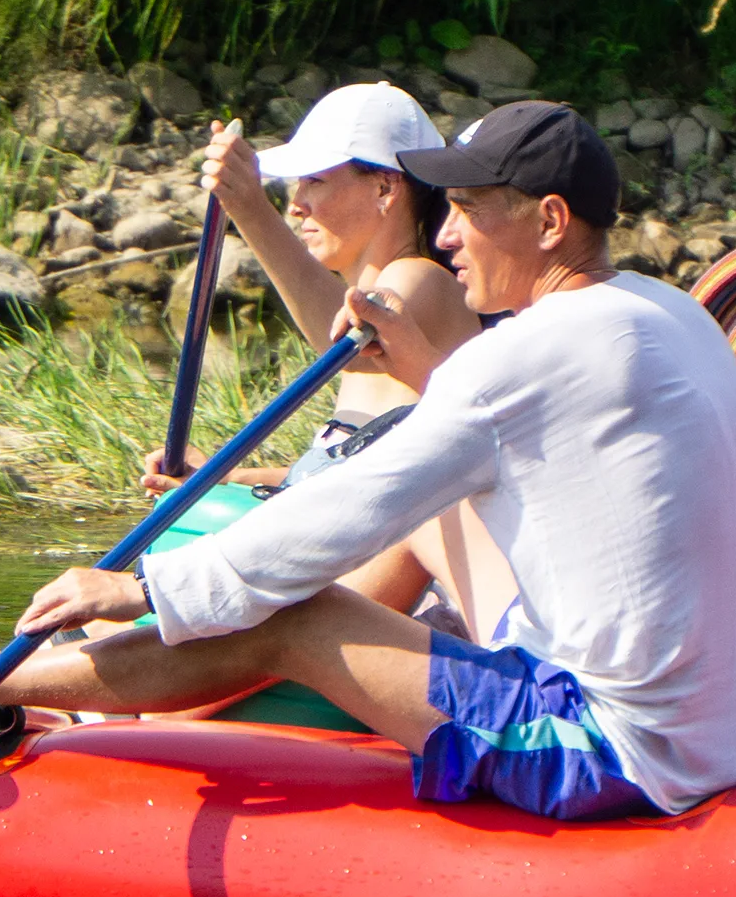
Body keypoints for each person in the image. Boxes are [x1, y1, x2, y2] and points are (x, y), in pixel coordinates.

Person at [0, 101, 736, 821]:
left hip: (611, 752)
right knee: (400, 525)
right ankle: (78, 690)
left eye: (472, 209)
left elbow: (348, 511)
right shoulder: (668, 311)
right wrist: (426, 378)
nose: (446, 233)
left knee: (293, 614)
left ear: (551, 222)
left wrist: (140, 588)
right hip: (696, 735)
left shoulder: (531, 349)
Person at [163, 83, 515, 637]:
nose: (296, 204)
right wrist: (221, 478)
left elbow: (347, 345)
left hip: (396, 605)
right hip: (353, 577)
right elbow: (346, 471)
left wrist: (250, 209)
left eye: (316, 181)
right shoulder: (387, 287)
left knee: (116, 634)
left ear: (385, 187)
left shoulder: (419, 279)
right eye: (296, 185)